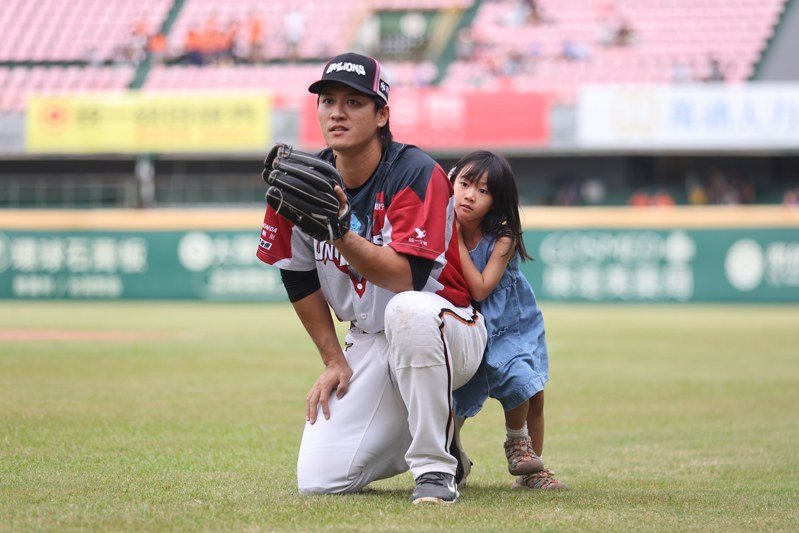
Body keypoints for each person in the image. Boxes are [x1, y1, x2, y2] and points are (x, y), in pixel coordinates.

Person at [256, 52, 488, 505]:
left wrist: (340, 232)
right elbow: (298, 279)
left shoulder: (415, 172)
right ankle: (443, 436)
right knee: (320, 478)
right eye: (327, 101)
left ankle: (435, 469)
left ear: (382, 114)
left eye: (353, 102)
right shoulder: (303, 182)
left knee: (407, 311)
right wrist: (333, 360)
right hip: (369, 337)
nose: (337, 112)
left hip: (446, 326)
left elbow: (408, 279)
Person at [449, 151, 567, 491]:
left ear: (497, 200)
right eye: (465, 184)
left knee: (529, 387)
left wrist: (455, 240)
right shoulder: (436, 225)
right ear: (451, 183)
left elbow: (482, 287)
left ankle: (527, 460)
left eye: (483, 191)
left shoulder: (503, 235)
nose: (470, 194)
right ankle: (449, 455)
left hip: (511, 323)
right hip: (466, 323)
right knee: (459, 398)